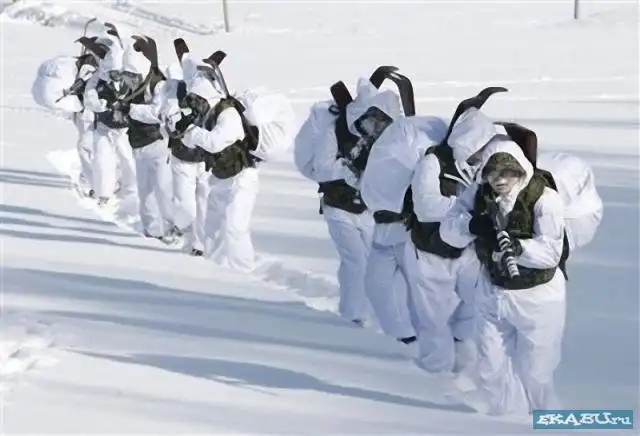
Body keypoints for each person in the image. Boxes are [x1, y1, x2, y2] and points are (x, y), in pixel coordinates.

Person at [439, 138, 567, 416]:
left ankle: (550, 421)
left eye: (508, 172)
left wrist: (519, 248)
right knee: (491, 367)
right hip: (493, 291)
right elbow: (448, 231)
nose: (499, 179)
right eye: (493, 172)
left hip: (538, 298)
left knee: (536, 372)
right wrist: (472, 225)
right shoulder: (476, 194)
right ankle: (509, 421)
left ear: (520, 170)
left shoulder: (544, 198)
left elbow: (551, 252)